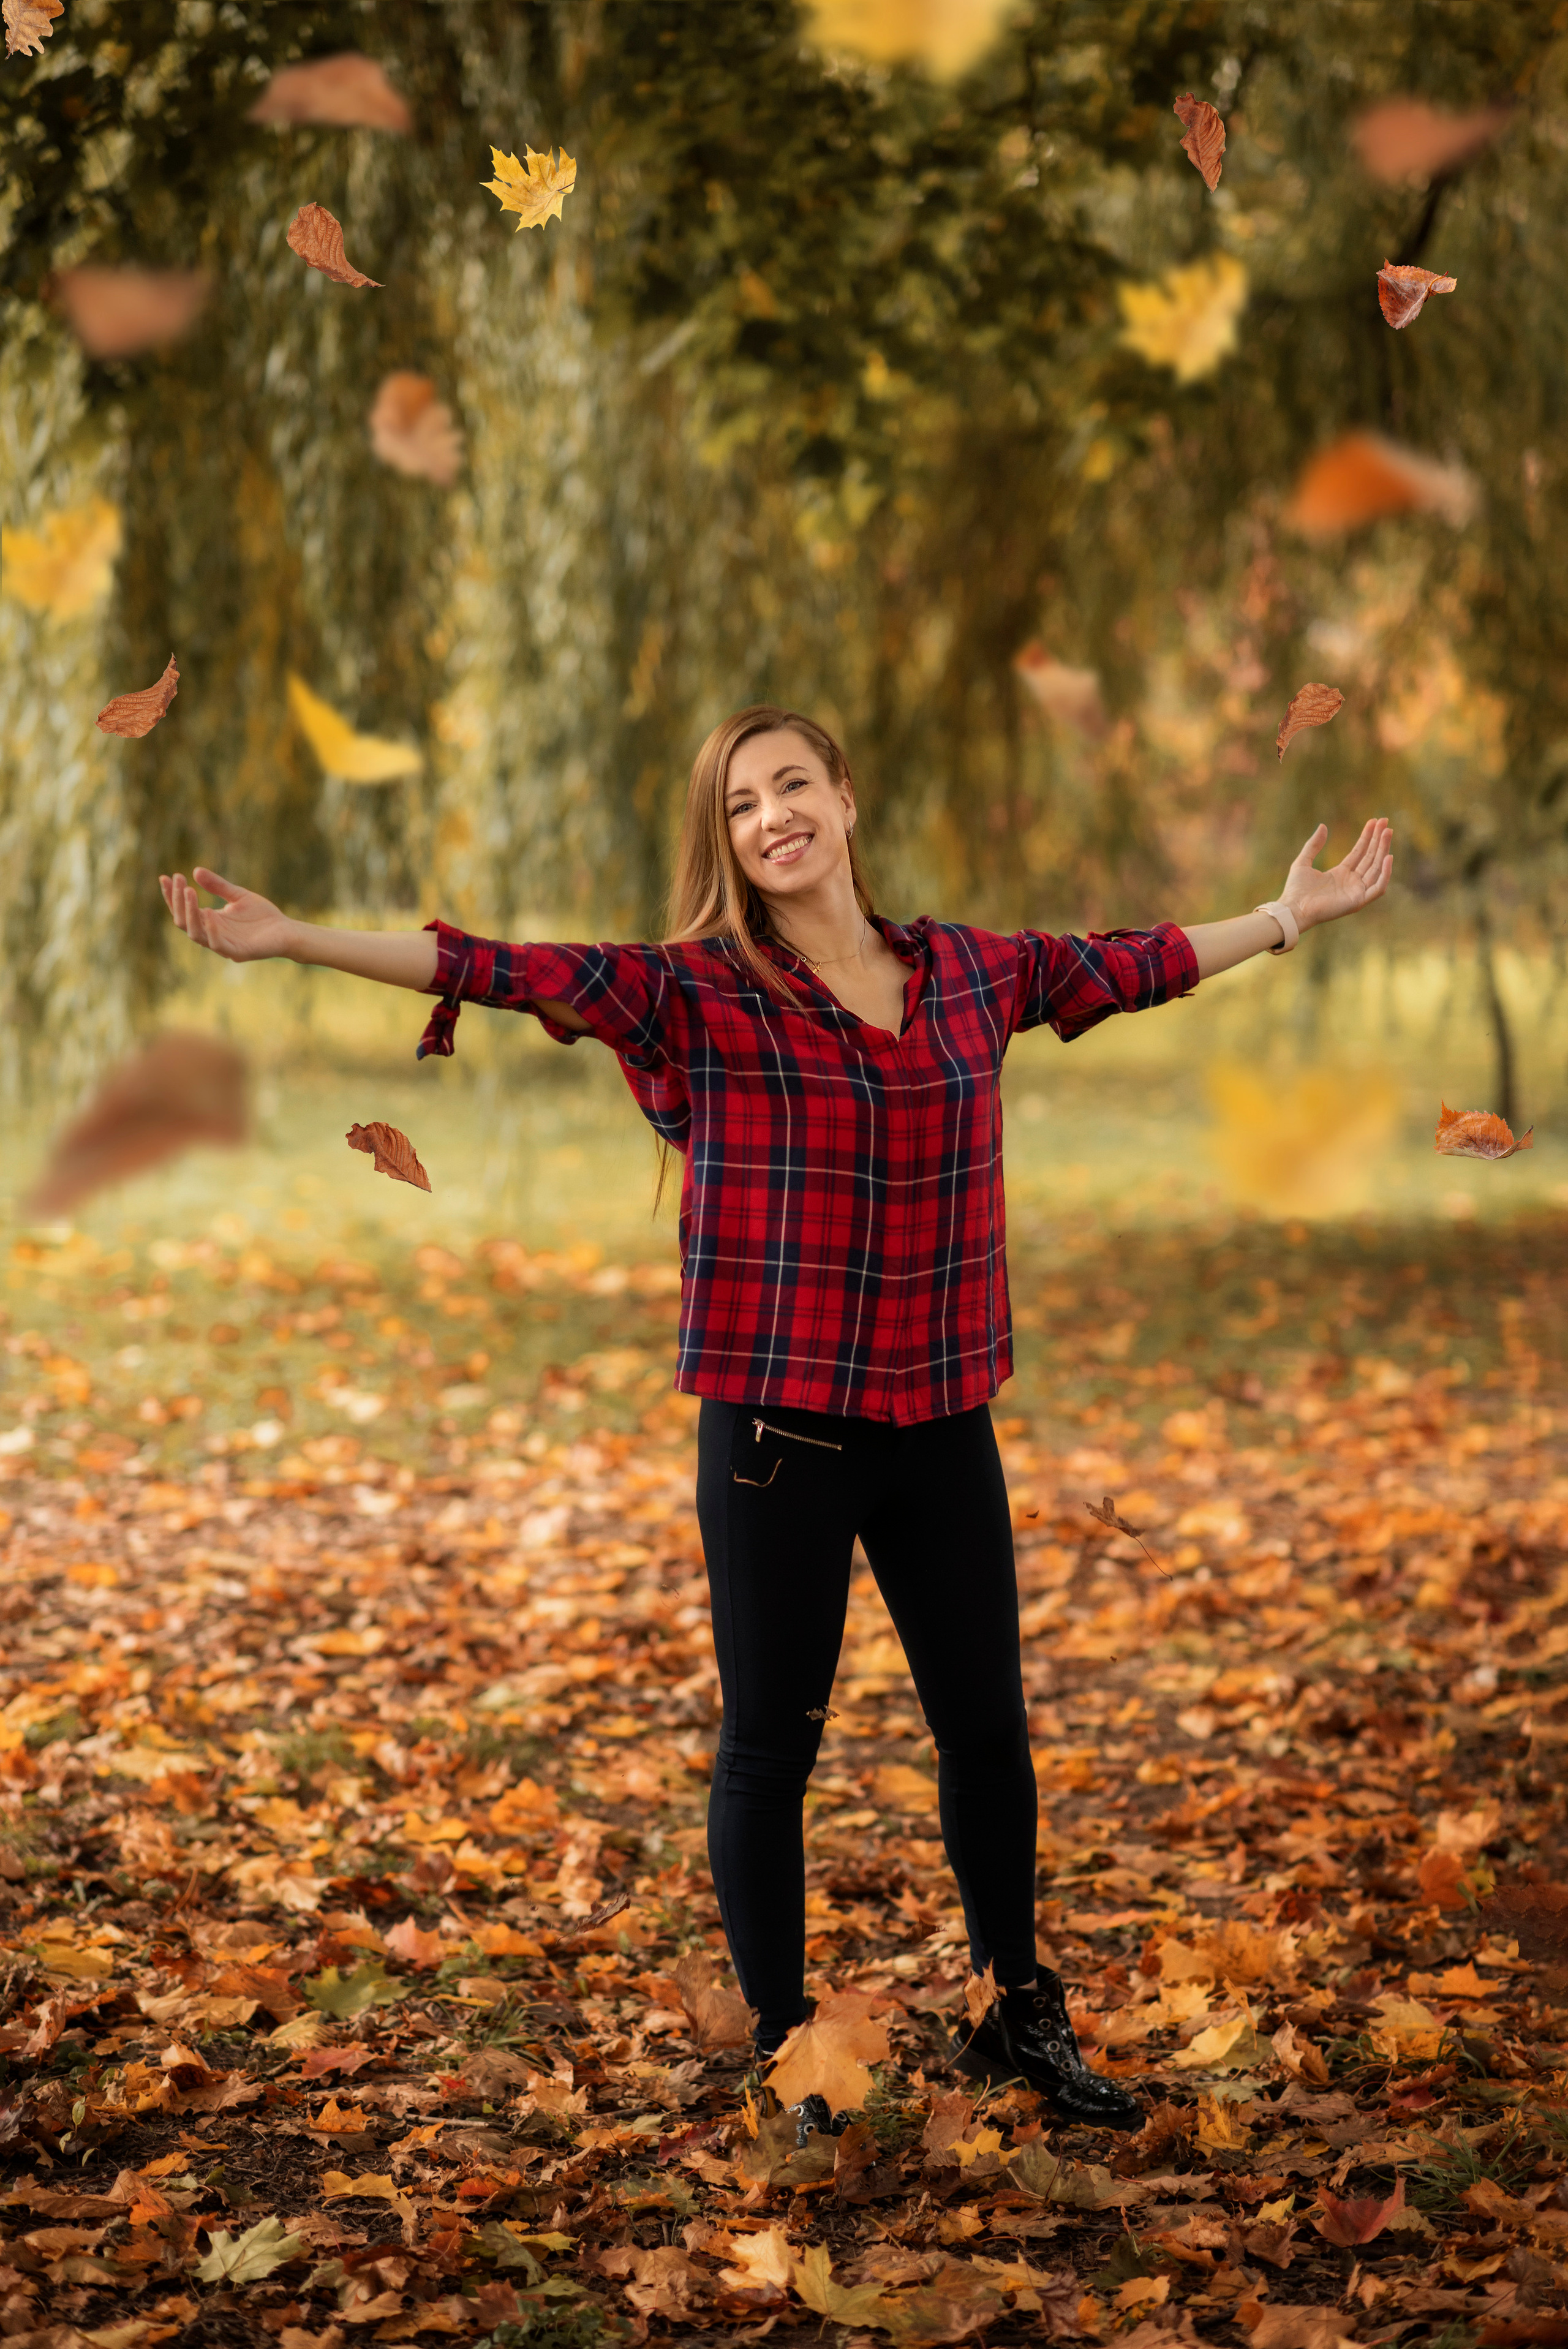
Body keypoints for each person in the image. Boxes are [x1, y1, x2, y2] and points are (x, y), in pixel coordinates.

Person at [162, 703, 1393, 2130]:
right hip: (777, 1435)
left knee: (986, 1732)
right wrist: (296, 938)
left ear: (844, 796)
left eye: (791, 784)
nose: (771, 818)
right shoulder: (694, 993)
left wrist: (1283, 918)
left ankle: (1016, 2013)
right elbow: (497, 966)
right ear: (729, 841)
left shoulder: (970, 972)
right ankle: (786, 2052)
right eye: (741, 806)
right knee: (769, 1749)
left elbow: (1131, 962)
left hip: (940, 1417)